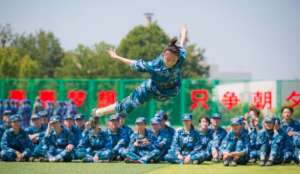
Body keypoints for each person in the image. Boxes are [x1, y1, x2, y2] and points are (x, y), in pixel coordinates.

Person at [93, 26, 188, 117]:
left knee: (170, 88)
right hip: (152, 88)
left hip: (170, 91)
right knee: (127, 107)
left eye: (173, 61)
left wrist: (183, 33)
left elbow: (181, 45)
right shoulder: (154, 66)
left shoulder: (180, 57)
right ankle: (99, 112)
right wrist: (117, 57)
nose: (170, 63)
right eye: (168, 60)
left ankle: (113, 114)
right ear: (163, 55)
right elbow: (134, 63)